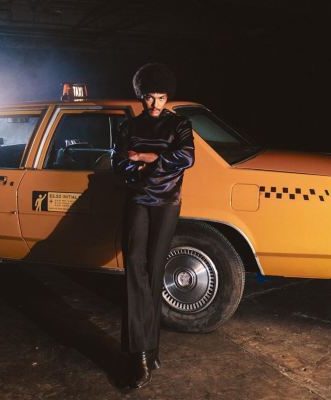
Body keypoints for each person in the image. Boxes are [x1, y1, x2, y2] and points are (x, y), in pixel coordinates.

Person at [111, 63, 195, 389]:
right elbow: (119, 163)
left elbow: (187, 157)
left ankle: (153, 348)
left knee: (156, 271)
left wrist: (146, 159)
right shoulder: (129, 126)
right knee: (135, 268)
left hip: (167, 203)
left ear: (167, 96)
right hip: (138, 201)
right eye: (149, 97)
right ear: (141, 96)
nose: (155, 103)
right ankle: (139, 356)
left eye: (160, 97)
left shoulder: (180, 124)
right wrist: (146, 165)